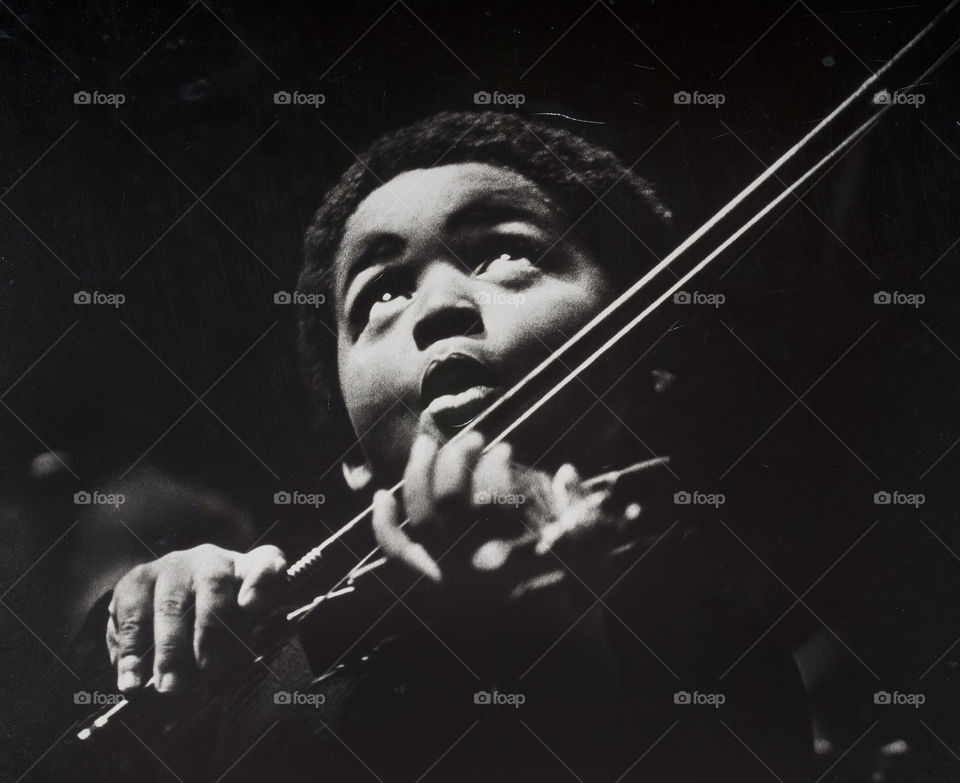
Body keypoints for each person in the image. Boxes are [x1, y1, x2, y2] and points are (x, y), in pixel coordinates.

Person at [61, 111, 813, 782]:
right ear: (351, 454)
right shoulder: (261, 658)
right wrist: (155, 613)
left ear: (647, 357)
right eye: (381, 292)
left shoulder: (725, 657)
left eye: (502, 253)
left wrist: (557, 661)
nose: (439, 307)